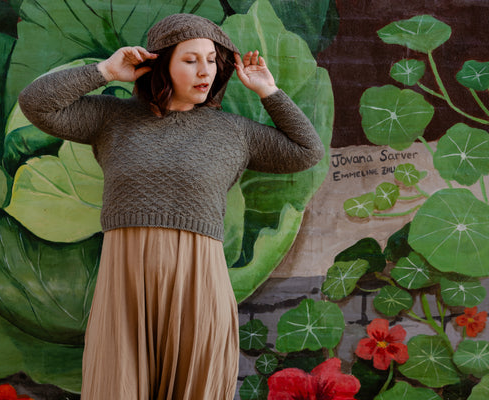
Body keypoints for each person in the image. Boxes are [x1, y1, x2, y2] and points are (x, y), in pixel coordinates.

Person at [18, 13, 324, 400]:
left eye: (212, 60)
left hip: (200, 286)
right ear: (162, 63)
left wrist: (269, 92)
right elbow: (36, 104)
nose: (205, 72)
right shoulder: (112, 118)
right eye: (191, 59)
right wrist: (105, 70)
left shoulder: (235, 132)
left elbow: (306, 151)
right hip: (125, 286)